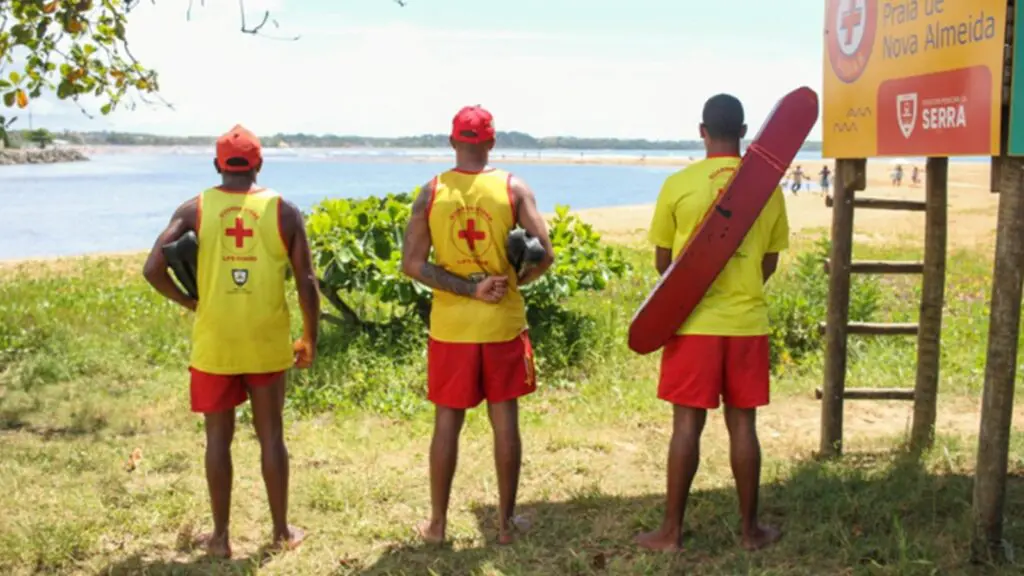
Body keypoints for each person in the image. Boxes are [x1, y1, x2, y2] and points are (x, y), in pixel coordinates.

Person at [142, 125, 320, 558]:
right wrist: (309, 337)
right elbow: (307, 281)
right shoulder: (284, 211)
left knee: (217, 440)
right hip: (265, 339)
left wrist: (193, 303)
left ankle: (220, 539)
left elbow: (152, 269)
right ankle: (280, 532)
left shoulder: (195, 208)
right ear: (258, 164)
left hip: (216, 341)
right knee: (271, 436)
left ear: (218, 164)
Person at [636, 94, 788, 553]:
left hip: (693, 326)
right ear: (743, 133)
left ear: (702, 130)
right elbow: (769, 261)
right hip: (746, 323)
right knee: (744, 427)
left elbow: (665, 264)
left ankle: (671, 532)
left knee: (687, 427)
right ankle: (750, 532)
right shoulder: (767, 187)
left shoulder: (679, 184)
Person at [401, 105, 555, 545]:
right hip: (502, 325)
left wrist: (467, 289)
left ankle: (437, 524)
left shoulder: (431, 192)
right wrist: (512, 280)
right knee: (505, 420)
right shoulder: (512, 188)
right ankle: (506, 526)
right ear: (491, 142)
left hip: (451, 329)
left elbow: (412, 264)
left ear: (452, 142)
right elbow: (545, 253)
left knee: (446, 423)